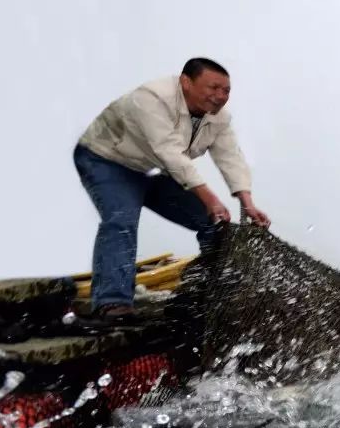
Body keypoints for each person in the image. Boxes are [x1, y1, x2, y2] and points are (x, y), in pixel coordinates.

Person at [74, 57, 270, 319]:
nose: (220, 96)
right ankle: (112, 302)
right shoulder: (151, 98)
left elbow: (230, 157)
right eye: (213, 87)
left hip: (155, 170)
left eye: (226, 91)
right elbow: (170, 153)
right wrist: (210, 197)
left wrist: (247, 202)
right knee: (121, 220)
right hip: (107, 161)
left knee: (213, 222)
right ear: (185, 82)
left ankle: (209, 296)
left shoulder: (219, 119)